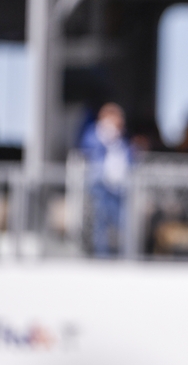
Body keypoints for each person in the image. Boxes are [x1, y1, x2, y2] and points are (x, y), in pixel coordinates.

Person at [79, 102, 132, 257]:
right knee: (100, 223)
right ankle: (102, 257)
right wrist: (106, 136)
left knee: (122, 222)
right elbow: (87, 148)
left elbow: (127, 157)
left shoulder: (121, 139)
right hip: (100, 184)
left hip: (118, 186)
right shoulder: (94, 134)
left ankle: (125, 256)